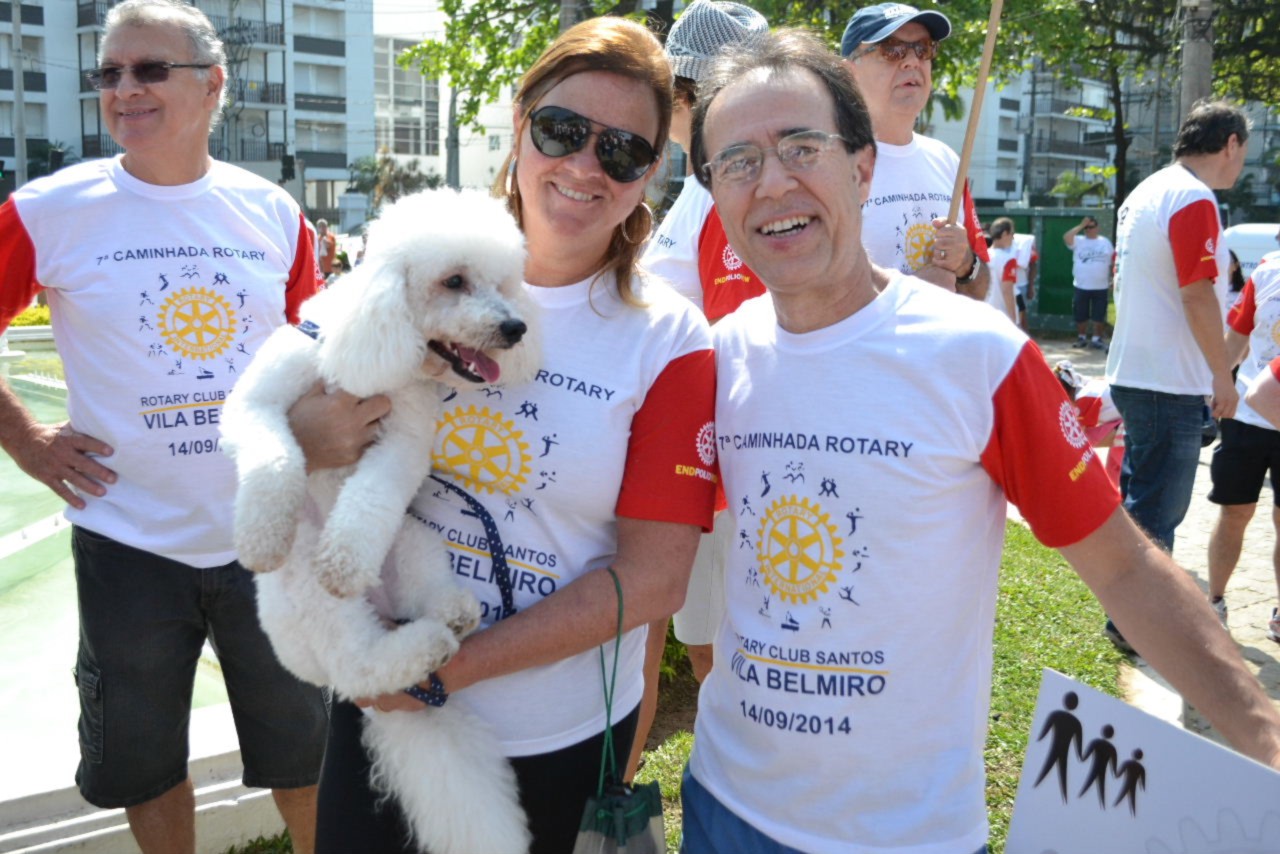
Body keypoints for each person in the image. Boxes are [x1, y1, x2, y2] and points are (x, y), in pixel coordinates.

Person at [682, 28, 1280, 853]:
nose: (772, 182)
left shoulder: (977, 356)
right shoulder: (713, 360)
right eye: (737, 161)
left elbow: (1124, 566)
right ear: (714, 195)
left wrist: (1263, 737)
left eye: (801, 147)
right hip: (723, 810)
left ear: (863, 168)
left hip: (909, 836)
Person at [291, 18, 717, 854]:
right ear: (520, 124)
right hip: (380, 709)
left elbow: (655, 580)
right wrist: (305, 436)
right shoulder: (414, 267)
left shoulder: (671, 340)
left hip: (553, 739)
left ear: (650, 172)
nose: (585, 166)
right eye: (562, 130)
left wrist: (443, 671)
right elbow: (283, 421)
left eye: (622, 150)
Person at [0, 2, 326, 852]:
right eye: (109, 72)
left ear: (213, 85)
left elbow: (315, 357)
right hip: (128, 542)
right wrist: (26, 440)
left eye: (149, 69)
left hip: (268, 533)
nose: (124, 89)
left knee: (307, 758)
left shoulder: (273, 213)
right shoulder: (48, 210)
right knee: (146, 767)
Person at [629, 0, 768, 781]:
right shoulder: (695, 187)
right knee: (689, 644)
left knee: (723, 655)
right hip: (688, 466)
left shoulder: (728, 188)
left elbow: (742, 341)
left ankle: (739, 791)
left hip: (720, 473)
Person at [1103, 100, 1248, 650]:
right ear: (1230, 143)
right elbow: (1196, 292)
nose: (1241, 165)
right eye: (1243, 153)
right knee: (1157, 511)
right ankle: (1135, 625)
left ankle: (1128, 615)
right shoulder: (1193, 197)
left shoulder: (1146, 192)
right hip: (1168, 380)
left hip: (1138, 371)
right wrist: (1222, 374)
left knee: (1142, 501)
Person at [840, 2, 990, 300]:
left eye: (923, 49)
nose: (912, 61)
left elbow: (981, 290)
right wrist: (913, 293)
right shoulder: (825, 163)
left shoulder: (946, 160)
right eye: (892, 49)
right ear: (849, 72)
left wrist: (965, 264)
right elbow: (803, 298)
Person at [1207, 253, 1280, 631]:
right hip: (1247, 417)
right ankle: (1215, 601)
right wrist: (1218, 383)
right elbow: (1236, 339)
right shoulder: (1267, 272)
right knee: (1235, 513)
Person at [1063, 215, 1115, 349]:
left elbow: (1113, 260)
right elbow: (1066, 237)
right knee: (1081, 313)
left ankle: (1097, 338)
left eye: (1091, 227)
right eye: (1086, 228)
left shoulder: (1105, 242)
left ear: (1097, 228)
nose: (1088, 230)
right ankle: (1081, 337)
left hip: (1101, 286)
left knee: (1099, 314)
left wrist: (1113, 278)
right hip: (1082, 285)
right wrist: (1081, 225)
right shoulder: (1079, 240)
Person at [984, 217, 1019, 321]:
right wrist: (1013, 319)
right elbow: (1007, 290)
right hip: (1002, 317)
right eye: (1012, 234)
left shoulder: (981, 257)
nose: (1013, 238)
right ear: (1004, 234)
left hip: (983, 314)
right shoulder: (1008, 260)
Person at [1012, 229, 1038, 331]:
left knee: (1021, 315)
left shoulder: (1023, 244)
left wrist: (1031, 286)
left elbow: (1033, 265)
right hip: (1000, 285)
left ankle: (1024, 338)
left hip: (1020, 285)